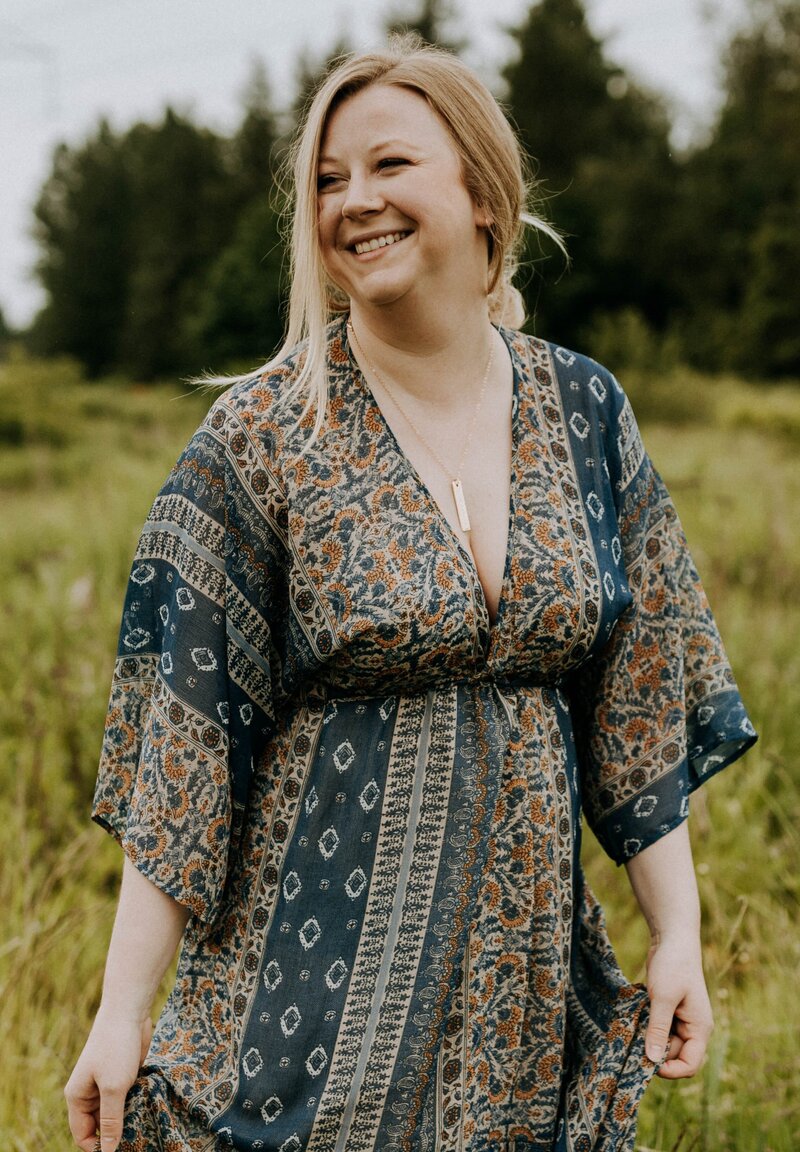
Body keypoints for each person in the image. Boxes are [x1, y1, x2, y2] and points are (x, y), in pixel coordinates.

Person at [65, 36, 757, 1152]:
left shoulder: (584, 411)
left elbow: (636, 710)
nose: (353, 202)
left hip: (519, 1010)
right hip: (305, 1006)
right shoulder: (264, 434)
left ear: (481, 192)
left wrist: (673, 936)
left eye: (388, 166)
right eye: (328, 180)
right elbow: (182, 755)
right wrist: (120, 1012)